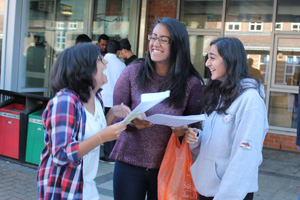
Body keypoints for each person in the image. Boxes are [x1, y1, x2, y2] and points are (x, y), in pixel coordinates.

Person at [110, 17, 205, 200]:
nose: (156, 43)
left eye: (164, 39)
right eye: (153, 37)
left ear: (177, 44)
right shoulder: (132, 71)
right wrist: (131, 123)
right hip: (129, 163)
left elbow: (194, 128)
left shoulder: (191, 83)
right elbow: (116, 116)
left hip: (168, 167)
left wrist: (183, 132)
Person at [37, 43, 130, 199]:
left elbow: (91, 132)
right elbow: (60, 154)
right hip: (65, 189)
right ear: (86, 68)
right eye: (101, 59)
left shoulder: (96, 97)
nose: (106, 62)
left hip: (87, 185)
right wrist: (102, 138)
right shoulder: (65, 102)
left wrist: (113, 113)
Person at [185, 37, 269, 200]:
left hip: (230, 194)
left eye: (212, 57)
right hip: (207, 189)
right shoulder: (219, 95)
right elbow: (218, 144)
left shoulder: (250, 100)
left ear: (230, 59)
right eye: (207, 58)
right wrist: (197, 138)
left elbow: (245, 158)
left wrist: (226, 196)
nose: (207, 63)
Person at [100, 40, 126, 163]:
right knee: (112, 126)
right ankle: (110, 154)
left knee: (101, 125)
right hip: (114, 100)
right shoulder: (121, 65)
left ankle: (101, 152)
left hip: (101, 98)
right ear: (118, 51)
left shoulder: (100, 61)